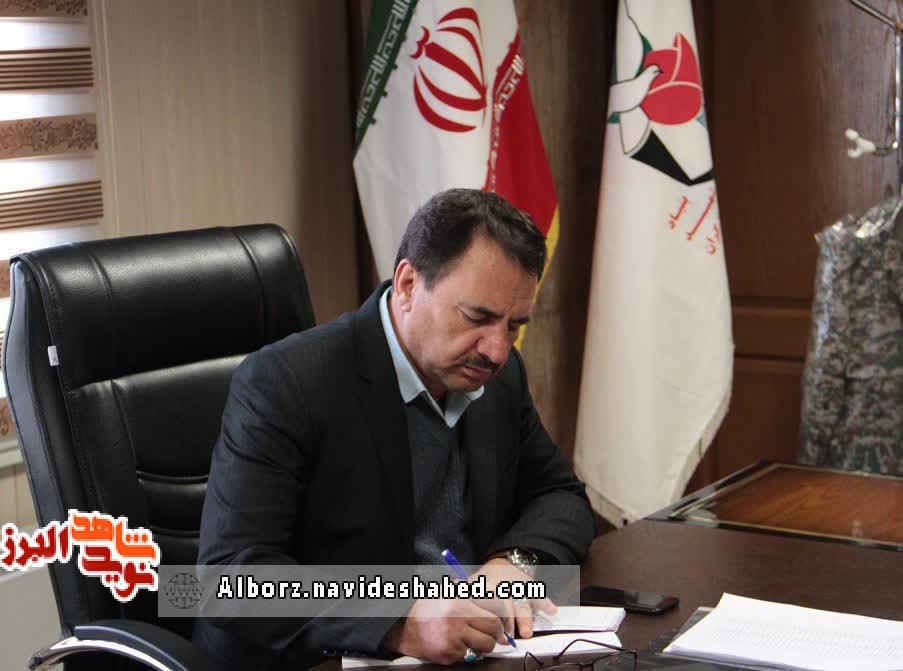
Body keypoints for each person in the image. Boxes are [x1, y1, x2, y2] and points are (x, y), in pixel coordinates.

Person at [193, 188, 597, 668]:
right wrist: (397, 620)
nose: (497, 350)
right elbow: (228, 580)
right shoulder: (287, 382)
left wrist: (512, 565)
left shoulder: (498, 378)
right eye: (478, 317)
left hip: (469, 653)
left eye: (513, 325)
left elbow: (561, 496)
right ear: (407, 284)